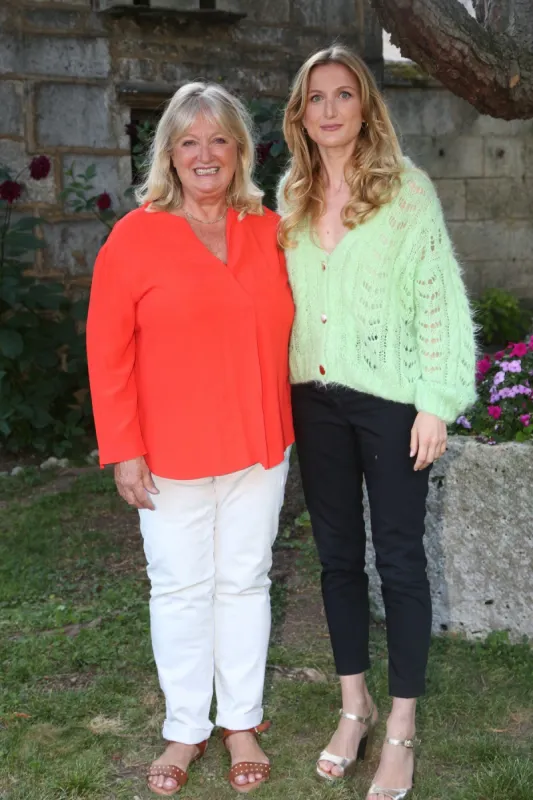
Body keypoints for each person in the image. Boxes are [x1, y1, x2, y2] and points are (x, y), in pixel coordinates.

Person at [277, 45, 476, 800]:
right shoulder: (289, 196)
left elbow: (437, 301)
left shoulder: (406, 191)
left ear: (365, 108)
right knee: (334, 559)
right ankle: (352, 708)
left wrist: (435, 401)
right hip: (314, 402)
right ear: (300, 113)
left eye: (343, 95)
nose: (329, 109)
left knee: (397, 561)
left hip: (392, 403)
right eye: (315, 97)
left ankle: (399, 729)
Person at [86, 82, 294, 796]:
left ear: (239, 150)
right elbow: (106, 348)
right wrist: (123, 447)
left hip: (258, 438)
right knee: (179, 588)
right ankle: (185, 728)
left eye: (218, 140)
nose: (204, 155)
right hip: (167, 448)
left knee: (244, 579)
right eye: (187, 141)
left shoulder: (268, 227)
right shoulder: (135, 236)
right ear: (169, 155)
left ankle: (239, 719)